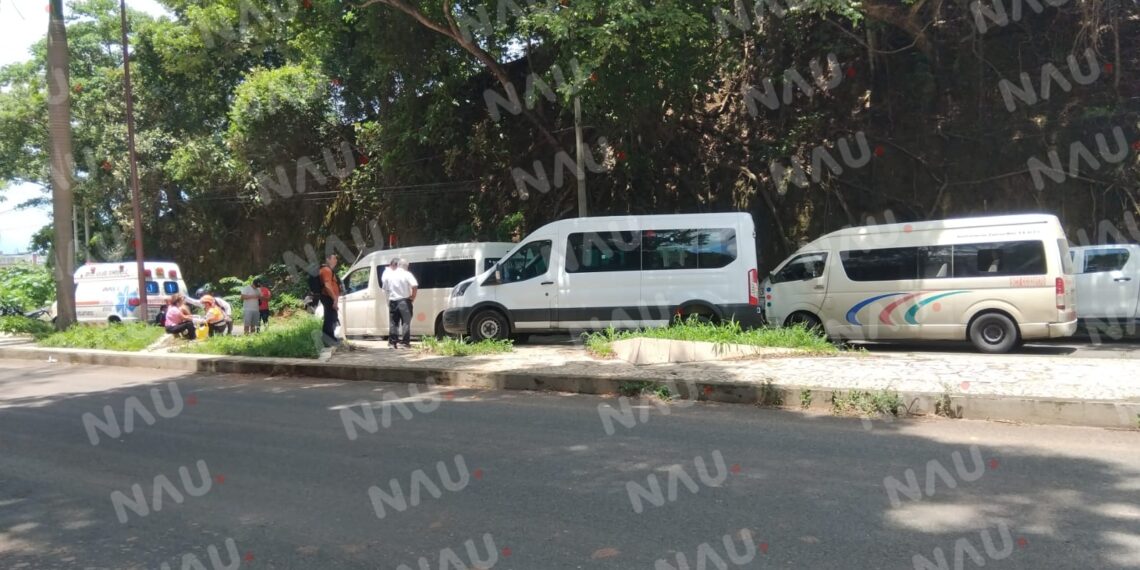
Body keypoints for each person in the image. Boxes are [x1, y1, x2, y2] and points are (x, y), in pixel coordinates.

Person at [381, 257, 418, 349]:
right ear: (405, 266)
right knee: (406, 322)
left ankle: (392, 343)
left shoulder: (389, 275)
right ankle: (405, 343)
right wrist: (413, 297)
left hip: (393, 301)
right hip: (404, 301)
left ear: (398, 265)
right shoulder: (407, 274)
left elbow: (385, 288)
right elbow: (414, 285)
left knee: (393, 323)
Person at [319, 254, 341, 348]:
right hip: (328, 297)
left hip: (330, 297)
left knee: (332, 317)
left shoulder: (329, 270)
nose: (336, 260)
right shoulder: (326, 270)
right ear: (328, 260)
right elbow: (327, 286)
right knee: (330, 318)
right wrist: (334, 299)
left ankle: (330, 338)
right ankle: (327, 340)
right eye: (334, 258)